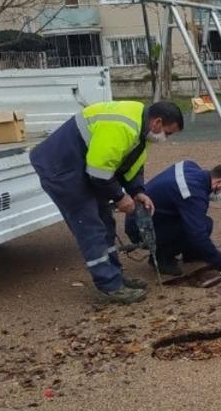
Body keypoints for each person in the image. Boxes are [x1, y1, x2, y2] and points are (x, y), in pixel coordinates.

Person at [30, 100, 184, 305]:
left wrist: (137, 192)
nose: (166, 138)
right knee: (90, 226)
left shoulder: (141, 128)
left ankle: (116, 277)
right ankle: (109, 286)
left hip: (82, 166)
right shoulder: (124, 127)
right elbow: (99, 172)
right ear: (157, 123)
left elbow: (131, 165)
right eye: (168, 132)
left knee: (106, 223)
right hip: (60, 168)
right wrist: (121, 197)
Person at [125, 161, 221, 279]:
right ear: (219, 182)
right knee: (198, 229)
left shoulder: (190, 166)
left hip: (147, 218)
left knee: (205, 223)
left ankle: (193, 253)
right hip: (141, 229)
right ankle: (162, 257)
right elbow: (197, 234)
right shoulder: (193, 192)